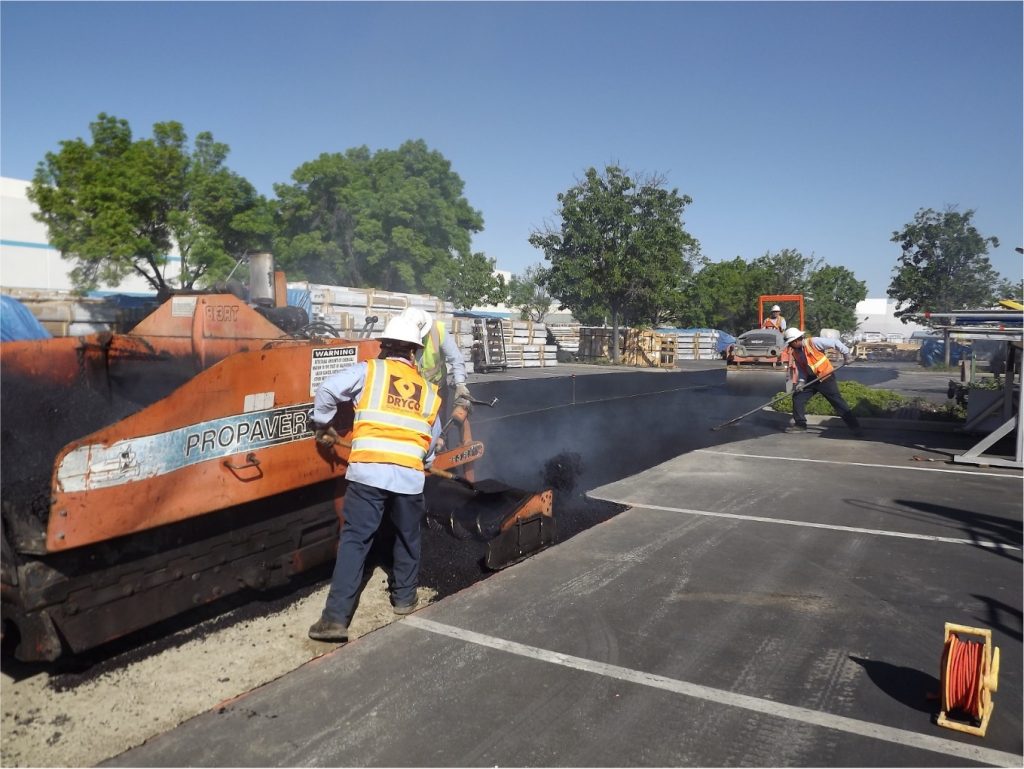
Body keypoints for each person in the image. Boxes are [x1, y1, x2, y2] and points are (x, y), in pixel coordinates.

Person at [307, 316, 442, 643]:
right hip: (409, 478)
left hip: (368, 473)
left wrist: (322, 424)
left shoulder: (370, 371)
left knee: (355, 540)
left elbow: (326, 391)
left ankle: (335, 620)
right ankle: (404, 600)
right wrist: (419, 460)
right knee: (408, 537)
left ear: (384, 347)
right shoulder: (428, 391)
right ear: (414, 352)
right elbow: (431, 446)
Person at [783, 327, 863, 436]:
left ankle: (855, 428)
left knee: (838, 403)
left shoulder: (813, 342)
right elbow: (801, 369)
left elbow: (835, 342)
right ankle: (800, 425)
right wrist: (801, 382)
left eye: (791, 343)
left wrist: (846, 354)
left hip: (825, 377)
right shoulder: (795, 353)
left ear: (796, 340)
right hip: (811, 380)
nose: (790, 345)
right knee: (798, 397)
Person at [396, 307, 472, 408]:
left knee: (438, 421)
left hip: (437, 390)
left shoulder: (437, 330)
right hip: (409, 391)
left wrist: (460, 384)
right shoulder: (398, 336)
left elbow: (456, 358)